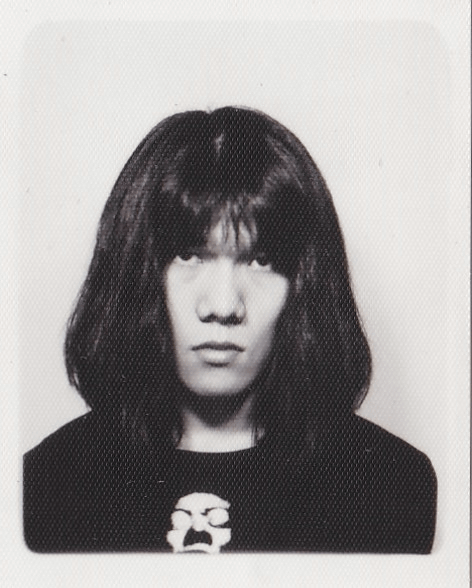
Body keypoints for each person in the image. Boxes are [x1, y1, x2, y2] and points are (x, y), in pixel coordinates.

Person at [24, 106, 437, 553]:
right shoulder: (48, 483)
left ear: (305, 283)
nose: (222, 307)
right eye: (188, 255)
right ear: (135, 271)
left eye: (261, 261)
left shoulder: (389, 484)